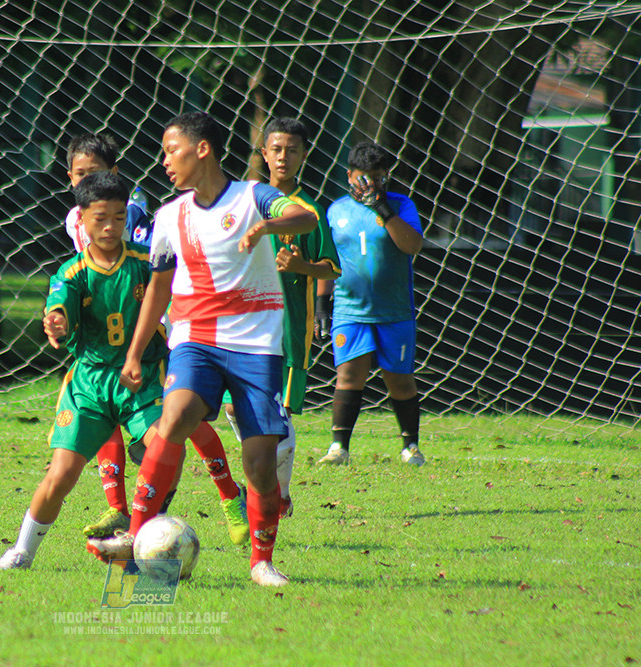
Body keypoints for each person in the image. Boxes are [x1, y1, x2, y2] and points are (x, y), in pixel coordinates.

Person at [87, 112, 318, 587]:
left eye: (172, 150)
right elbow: (157, 288)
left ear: (203, 149)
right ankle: (134, 536)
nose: (165, 161)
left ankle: (261, 562)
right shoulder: (169, 215)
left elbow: (305, 216)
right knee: (174, 417)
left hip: (256, 347)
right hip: (196, 339)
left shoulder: (252, 196)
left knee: (259, 461)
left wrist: (266, 229)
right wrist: (134, 352)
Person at [64, 133, 248, 545]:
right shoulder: (76, 219)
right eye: (78, 175)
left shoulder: (134, 211)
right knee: (101, 412)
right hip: (109, 337)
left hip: (160, 329)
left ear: (113, 173)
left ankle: (229, 496)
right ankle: (117, 506)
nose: (84, 182)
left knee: (185, 417)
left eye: (92, 173)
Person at [0, 172, 166, 570]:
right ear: (81, 219)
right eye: (100, 218)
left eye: (119, 218)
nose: (109, 227)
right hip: (89, 384)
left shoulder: (144, 264)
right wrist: (56, 321)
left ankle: (137, 538)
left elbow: (166, 299)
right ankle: (21, 551)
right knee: (61, 475)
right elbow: (58, 307)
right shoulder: (71, 272)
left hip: (139, 381)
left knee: (163, 452)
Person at [315, 140, 425, 467]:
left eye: (377, 178)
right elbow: (328, 260)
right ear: (350, 175)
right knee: (348, 375)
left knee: (400, 379)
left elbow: (412, 245)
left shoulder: (401, 205)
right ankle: (339, 448)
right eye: (364, 178)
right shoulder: (335, 211)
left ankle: (411, 447)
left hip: (395, 311)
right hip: (350, 310)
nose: (370, 185)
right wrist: (323, 302)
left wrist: (383, 210)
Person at [258, 117, 341, 514]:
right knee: (236, 409)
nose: (283, 157)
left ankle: (280, 494)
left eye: (292, 150)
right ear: (264, 154)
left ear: (304, 155)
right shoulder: (245, 204)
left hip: (289, 330)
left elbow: (332, 268)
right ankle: (265, 484)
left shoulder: (310, 211)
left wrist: (301, 267)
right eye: (276, 149)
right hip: (242, 328)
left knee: (279, 412)